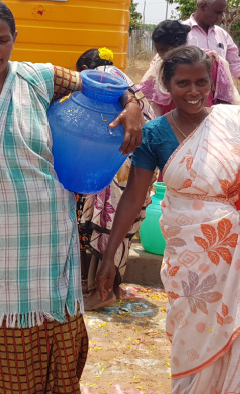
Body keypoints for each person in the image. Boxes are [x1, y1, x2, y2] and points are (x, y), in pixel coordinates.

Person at [0, 0, 145, 392]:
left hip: (51, 230)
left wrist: (131, 104)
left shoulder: (37, 78)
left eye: (2, 39)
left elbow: (105, 82)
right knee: (4, 313)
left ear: (15, 39)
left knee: (55, 316)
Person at [96, 45, 240, 393]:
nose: (194, 91)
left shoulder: (233, 118)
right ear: (167, 85)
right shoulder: (153, 134)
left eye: (201, 82)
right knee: (192, 332)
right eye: (183, 83)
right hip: (189, 253)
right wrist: (110, 255)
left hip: (238, 249)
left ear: (211, 83)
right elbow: (135, 197)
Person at [75, 47, 155, 310]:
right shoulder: (128, 83)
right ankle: (108, 289)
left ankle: (105, 292)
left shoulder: (104, 75)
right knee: (116, 230)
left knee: (109, 228)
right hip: (133, 164)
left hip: (122, 165)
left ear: (86, 70)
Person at [139, 19, 240, 117]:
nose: (163, 55)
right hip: (171, 122)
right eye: (159, 50)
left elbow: (223, 97)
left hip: (204, 119)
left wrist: (220, 122)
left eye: (167, 50)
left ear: (181, 46)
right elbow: (144, 93)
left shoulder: (207, 61)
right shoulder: (159, 65)